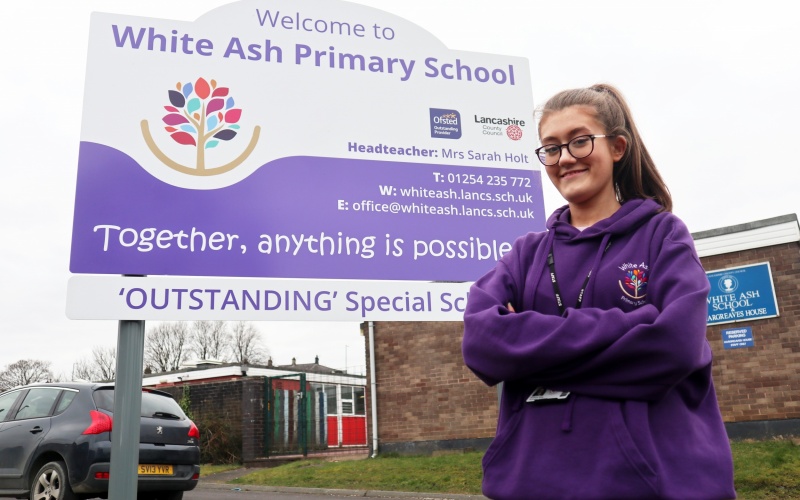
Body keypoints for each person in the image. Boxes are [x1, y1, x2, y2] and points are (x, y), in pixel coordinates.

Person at [462, 84, 735, 499]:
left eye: (579, 141)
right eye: (550, 148)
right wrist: (635, 323)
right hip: (529, 482)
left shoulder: (663, 236)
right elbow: (482, 345)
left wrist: (528, 346)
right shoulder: (526, 253)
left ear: (618, 147)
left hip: (646, 484)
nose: (564, 157)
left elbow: (674, 346)